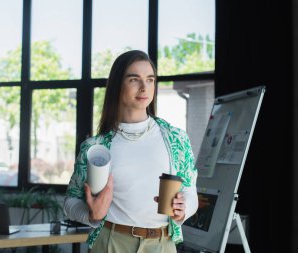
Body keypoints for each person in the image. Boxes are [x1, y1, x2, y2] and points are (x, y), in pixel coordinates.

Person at [64, 50, 198, 253]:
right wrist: (92, 215)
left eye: (150, 80)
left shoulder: (176, 139)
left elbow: (190, 192)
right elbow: (70, 201)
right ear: (118, 85)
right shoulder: (95, 147)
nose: (145, 87)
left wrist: (183, 209)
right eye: (134, 80)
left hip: (163, 244)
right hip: (111, 243)